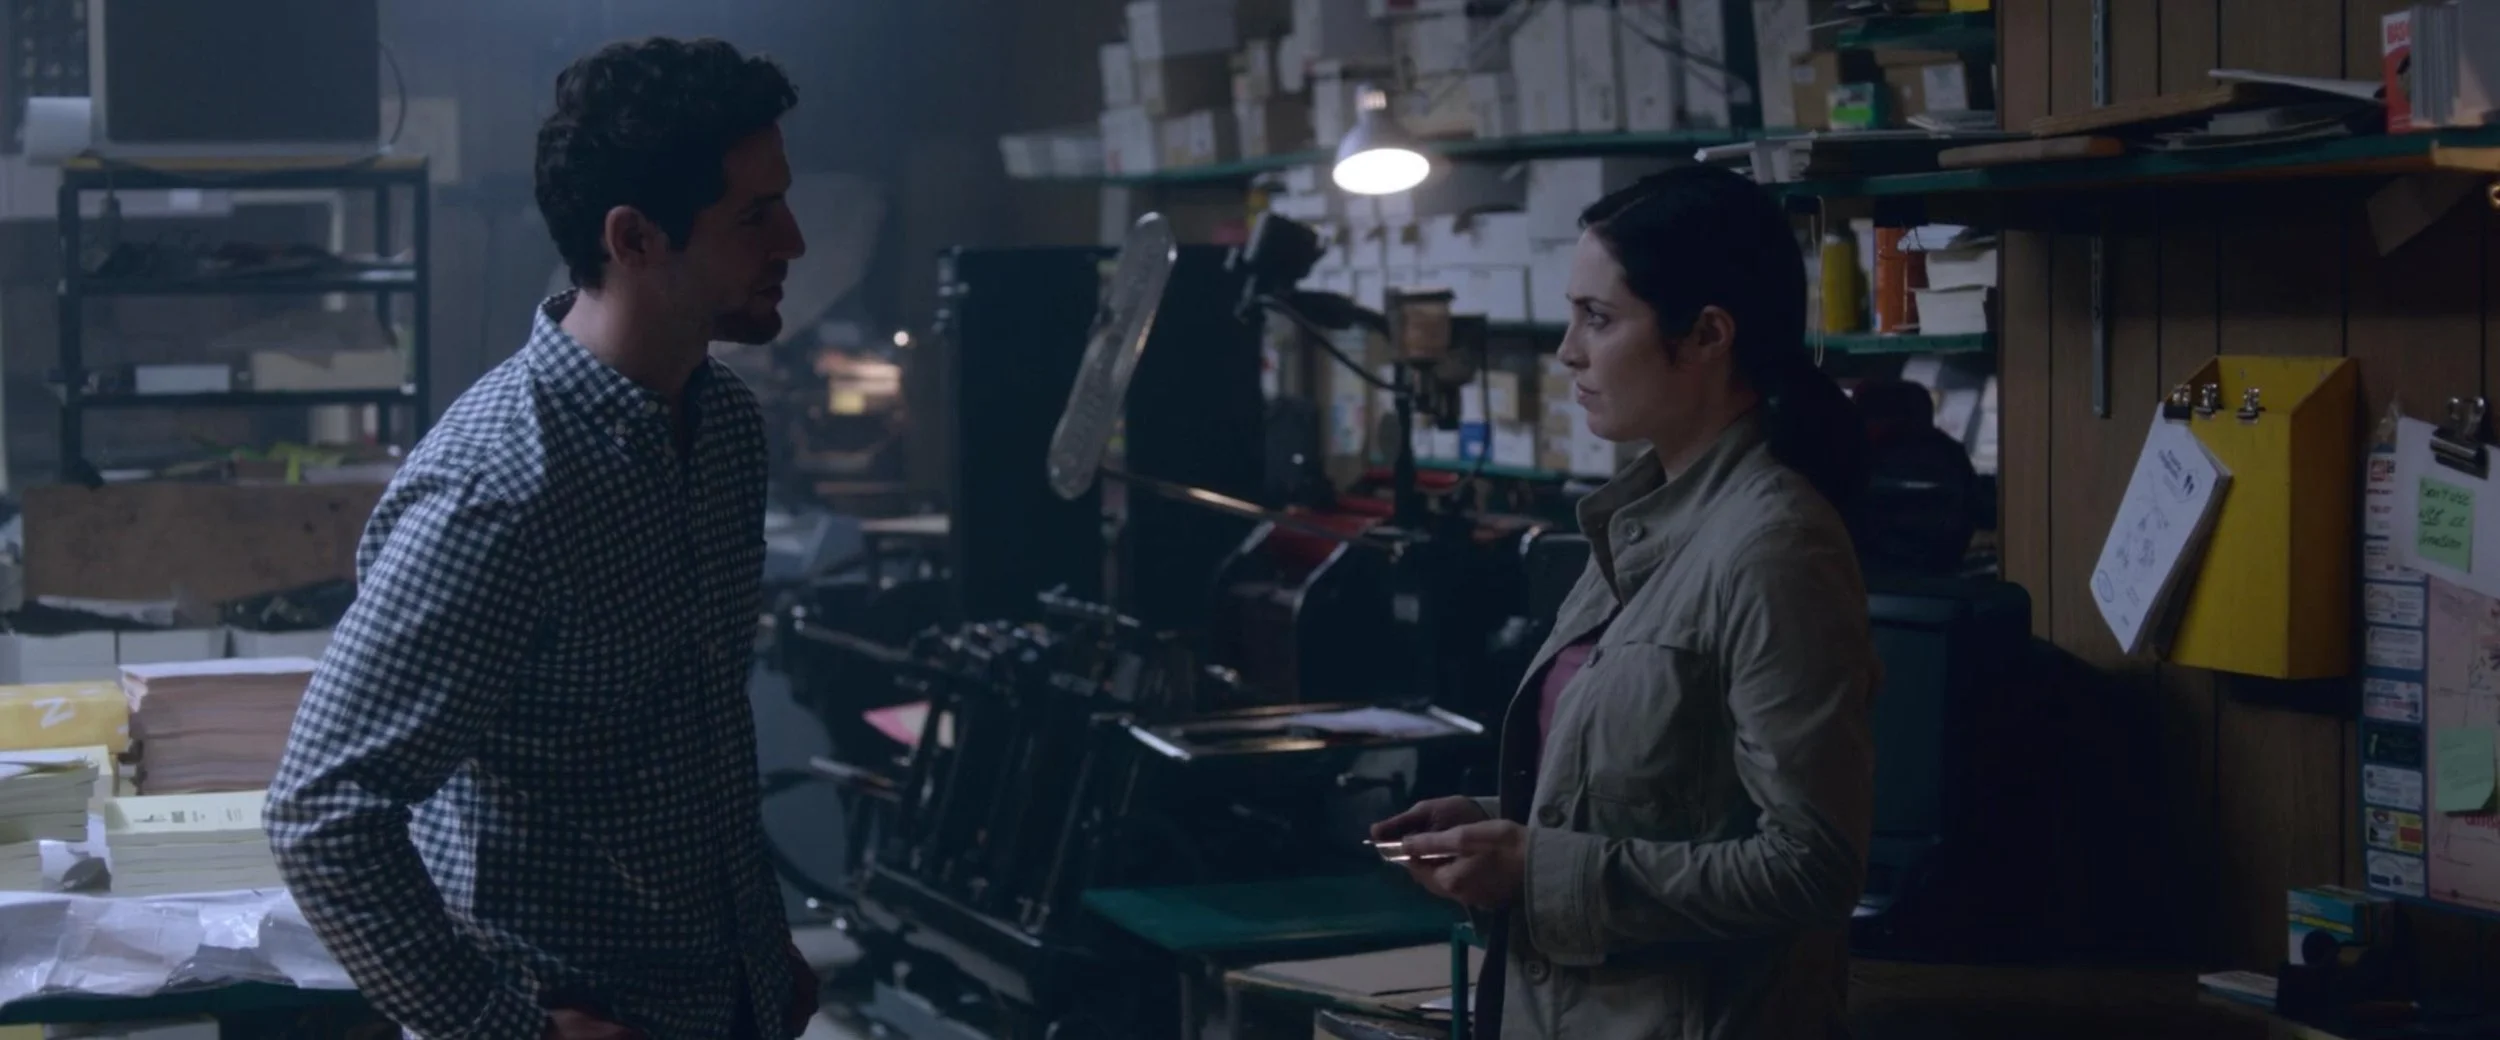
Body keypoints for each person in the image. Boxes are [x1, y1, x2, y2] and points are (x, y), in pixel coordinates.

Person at [266, 38, 812, 1040]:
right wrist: (504, 1032)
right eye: (753, 215)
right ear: (635, 238)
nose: (796, 239)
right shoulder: (498, 492)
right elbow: (324, 809)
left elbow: (686, 728)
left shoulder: (726, 427)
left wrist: (753, 947)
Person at [1371, 165, 1880, 1040]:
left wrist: (1535, 868)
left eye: (1598, 319)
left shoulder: (1774, 548)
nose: (1568, 350)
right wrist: (1501, 835)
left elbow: (1810, 867)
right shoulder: (1647, 524)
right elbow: (1673, 806)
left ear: (1709, 334)